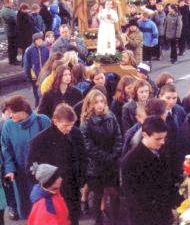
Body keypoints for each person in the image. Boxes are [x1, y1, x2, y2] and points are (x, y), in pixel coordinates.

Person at [27, 104, 86, 225]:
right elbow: (30, 169)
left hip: (73, 188)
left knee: (73, 220)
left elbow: (83, 157)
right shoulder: (39, 142)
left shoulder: (75, 133)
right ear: (54, 121)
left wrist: (82, 179)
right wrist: (48, 185)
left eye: (71, 125)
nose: (69, 129)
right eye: (65, 125)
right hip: (52, 193)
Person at [1, 96, 51, 219]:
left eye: (12, 113)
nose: (10, 117)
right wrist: (10, 169)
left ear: (23, 110)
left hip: (43, 174)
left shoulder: (43, 120)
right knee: (29, 210)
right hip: (21, 176)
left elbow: (53, 144)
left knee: (47, 208)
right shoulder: (8, 126)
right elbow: (6, 149)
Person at [121, 117, 177, 225]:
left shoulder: (162, 150)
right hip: (145, 218)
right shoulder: (130, 161)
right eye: (158, 139)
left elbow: (168, 181)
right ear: (145, 135)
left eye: (164, 138)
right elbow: (134, 199)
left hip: (164, 214)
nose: (162, 142)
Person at [79, 89, 122, 225]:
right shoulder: (86, 123)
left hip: (111, 164)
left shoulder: (111, 116)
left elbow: (118, 136)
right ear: (90, 104)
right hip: (95, 167)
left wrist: (114, 153)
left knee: (114, 194)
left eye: (102, 101)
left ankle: (115, 221)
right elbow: (89, 147)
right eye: (96, 102)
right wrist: (107, 157)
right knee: (97, 197)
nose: (99, 105)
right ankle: (98, 222)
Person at [23, 33, 50, 106]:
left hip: (44, 74)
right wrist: (27, 75)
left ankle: (45, 103)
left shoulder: (46, 49)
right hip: (34, 74)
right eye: (37, 40)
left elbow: (48, 61)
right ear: (34, 41)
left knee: (45, 89)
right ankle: (37, 104)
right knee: (36, 90)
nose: (39, 41)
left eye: (41, 39)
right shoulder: (29, 50)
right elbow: (26, 64)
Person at [1, 0, 19, 65]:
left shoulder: (7, 10)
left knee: (12, 46)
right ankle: (13, 60)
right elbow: (12, 20)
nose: (12, 4)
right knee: (13, 46)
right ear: (7, 3)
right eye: (11, 2)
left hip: (11, 30)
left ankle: (13, 59)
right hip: (11, 30)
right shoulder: (6, 11)